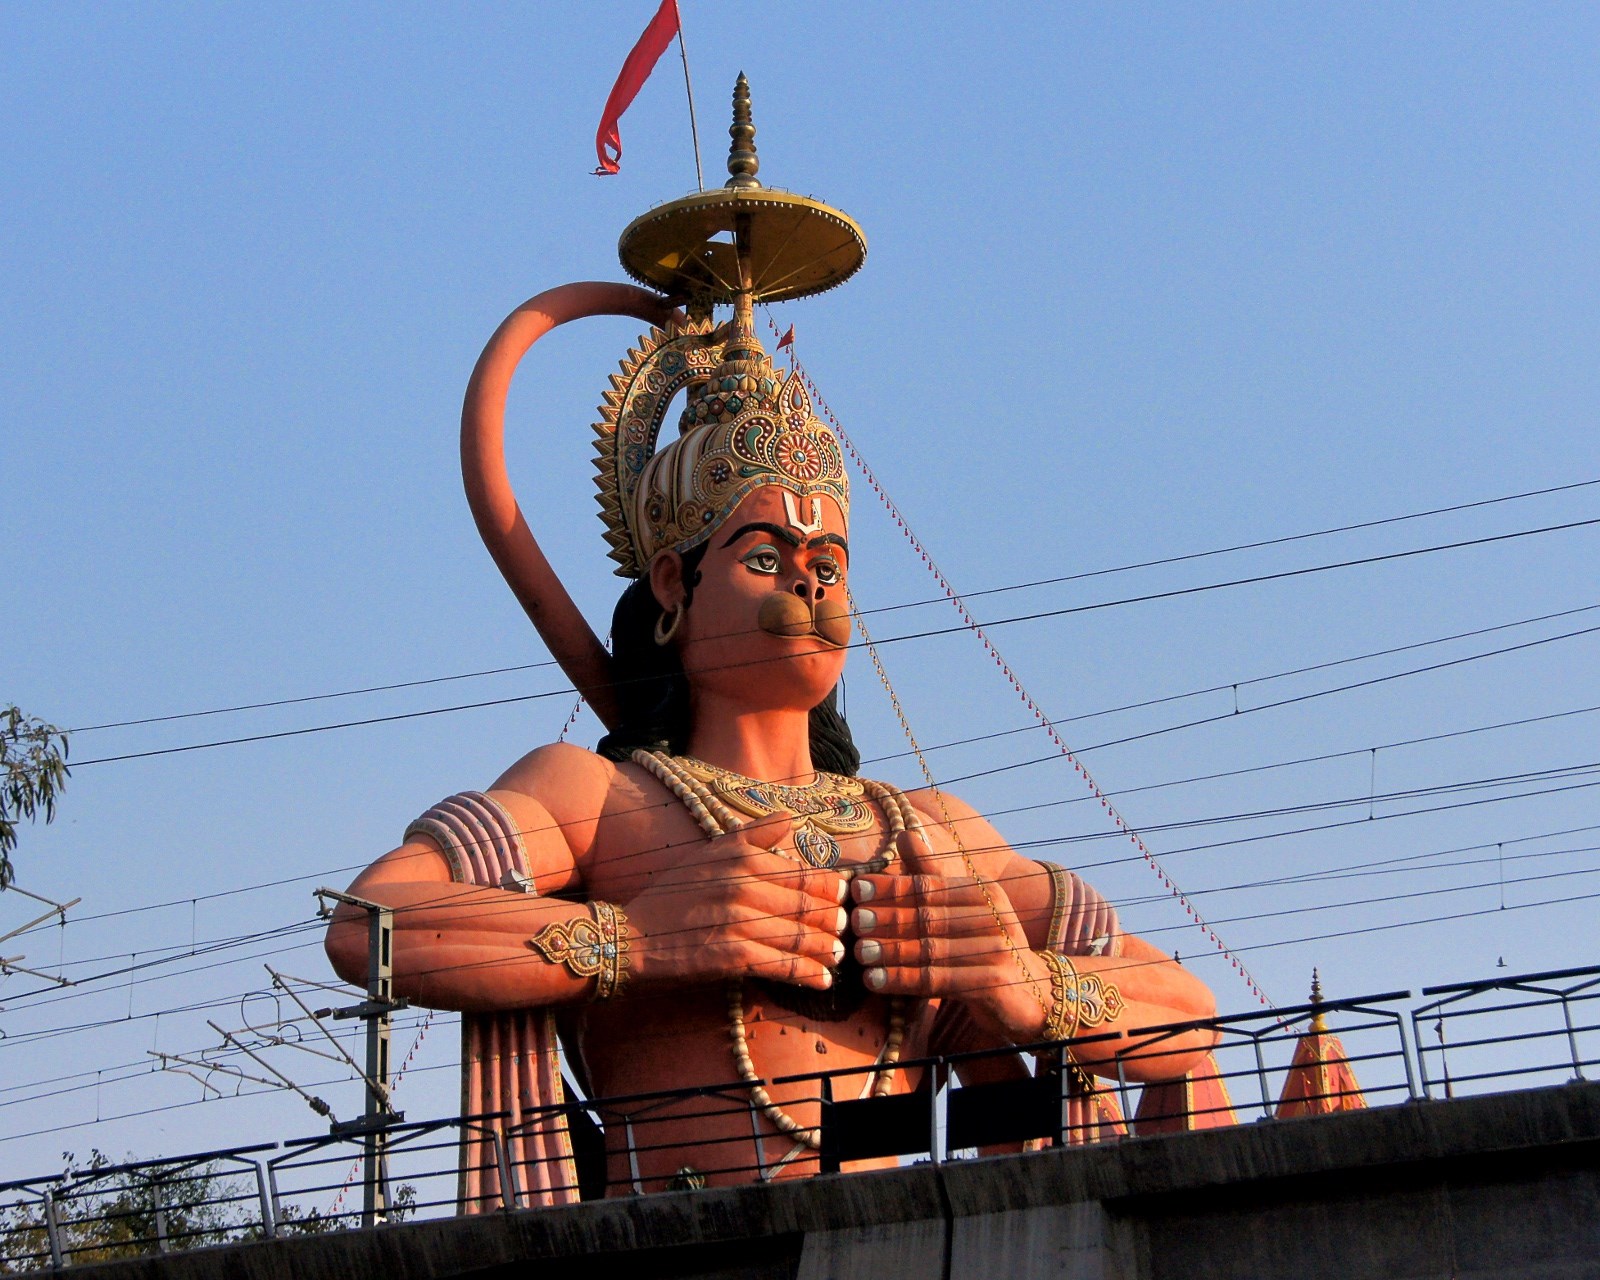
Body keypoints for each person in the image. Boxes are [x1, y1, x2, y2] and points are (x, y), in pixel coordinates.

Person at [325, 305, 1216, 1205]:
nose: (806, 583)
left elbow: (1189, 1014)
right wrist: (638, 940)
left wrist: (1025, 984)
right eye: (766, 556)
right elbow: (371, 922)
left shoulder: (924, 830)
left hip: (896, 1238)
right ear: (674, 586)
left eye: (827, 566)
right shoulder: (596, 798)